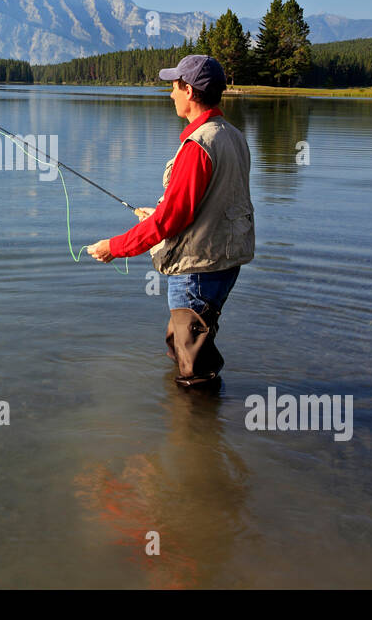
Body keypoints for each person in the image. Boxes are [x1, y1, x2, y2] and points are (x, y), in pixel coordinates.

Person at [86, 54, 255, 388]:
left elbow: (172, 220)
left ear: (189, 91)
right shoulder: (232, 136)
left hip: (198, 270)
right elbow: (212, 203)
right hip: (224, 263)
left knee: (193, 369)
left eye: (174, 87)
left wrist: (115, 247)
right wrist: (160, 210)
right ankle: (192, 427)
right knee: (180, 345)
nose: (170, 94)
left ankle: (198, 429)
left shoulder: (199, 145)